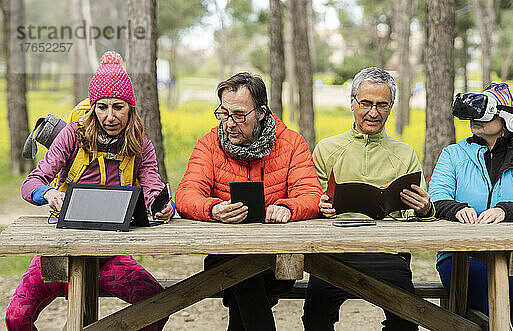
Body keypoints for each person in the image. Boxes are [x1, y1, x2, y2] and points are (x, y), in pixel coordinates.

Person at [6, 51, 173, 331]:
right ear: (93, 107)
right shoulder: (72, 135)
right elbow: (31, 183)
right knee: (16, 317)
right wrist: (48, 193)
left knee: (156, 307)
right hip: (62, 253)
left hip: (111, 256)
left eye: (118, 107)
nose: (110, 116)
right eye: (102, 107)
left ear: (130, 107)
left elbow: (152, 185)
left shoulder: (140, 144)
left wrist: (160, 204)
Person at [174, 72, 322, 330]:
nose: (229, 123)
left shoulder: (291, 143)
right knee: (243, 275)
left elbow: (311, 195)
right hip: (225, 252)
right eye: (223, 113)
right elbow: (185, 195)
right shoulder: (209, 145)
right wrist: (213, 209)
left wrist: (287, 208)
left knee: (243, 280)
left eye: (239, 115)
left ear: (262, 112)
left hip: (277, 257)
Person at [302, 67, 434, 331]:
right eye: (366, 103)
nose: (373, 113)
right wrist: (320, 206)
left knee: (407, 319)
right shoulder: (326, 149)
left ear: (391, 106)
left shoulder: (404, 154)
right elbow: (309, 200)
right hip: (333, 253)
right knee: (315, 316)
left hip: (388, 254)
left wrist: (424, 209)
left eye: (382, 105)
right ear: (352, 102)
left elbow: (419, 214)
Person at [429, 82, 513, 330]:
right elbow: (436, 197)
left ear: (508, 120)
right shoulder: (453, 155)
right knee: (491, 321)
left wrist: (504, 210)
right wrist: (456, 209)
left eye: (485, 113)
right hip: (459, 257)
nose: (476, 119)